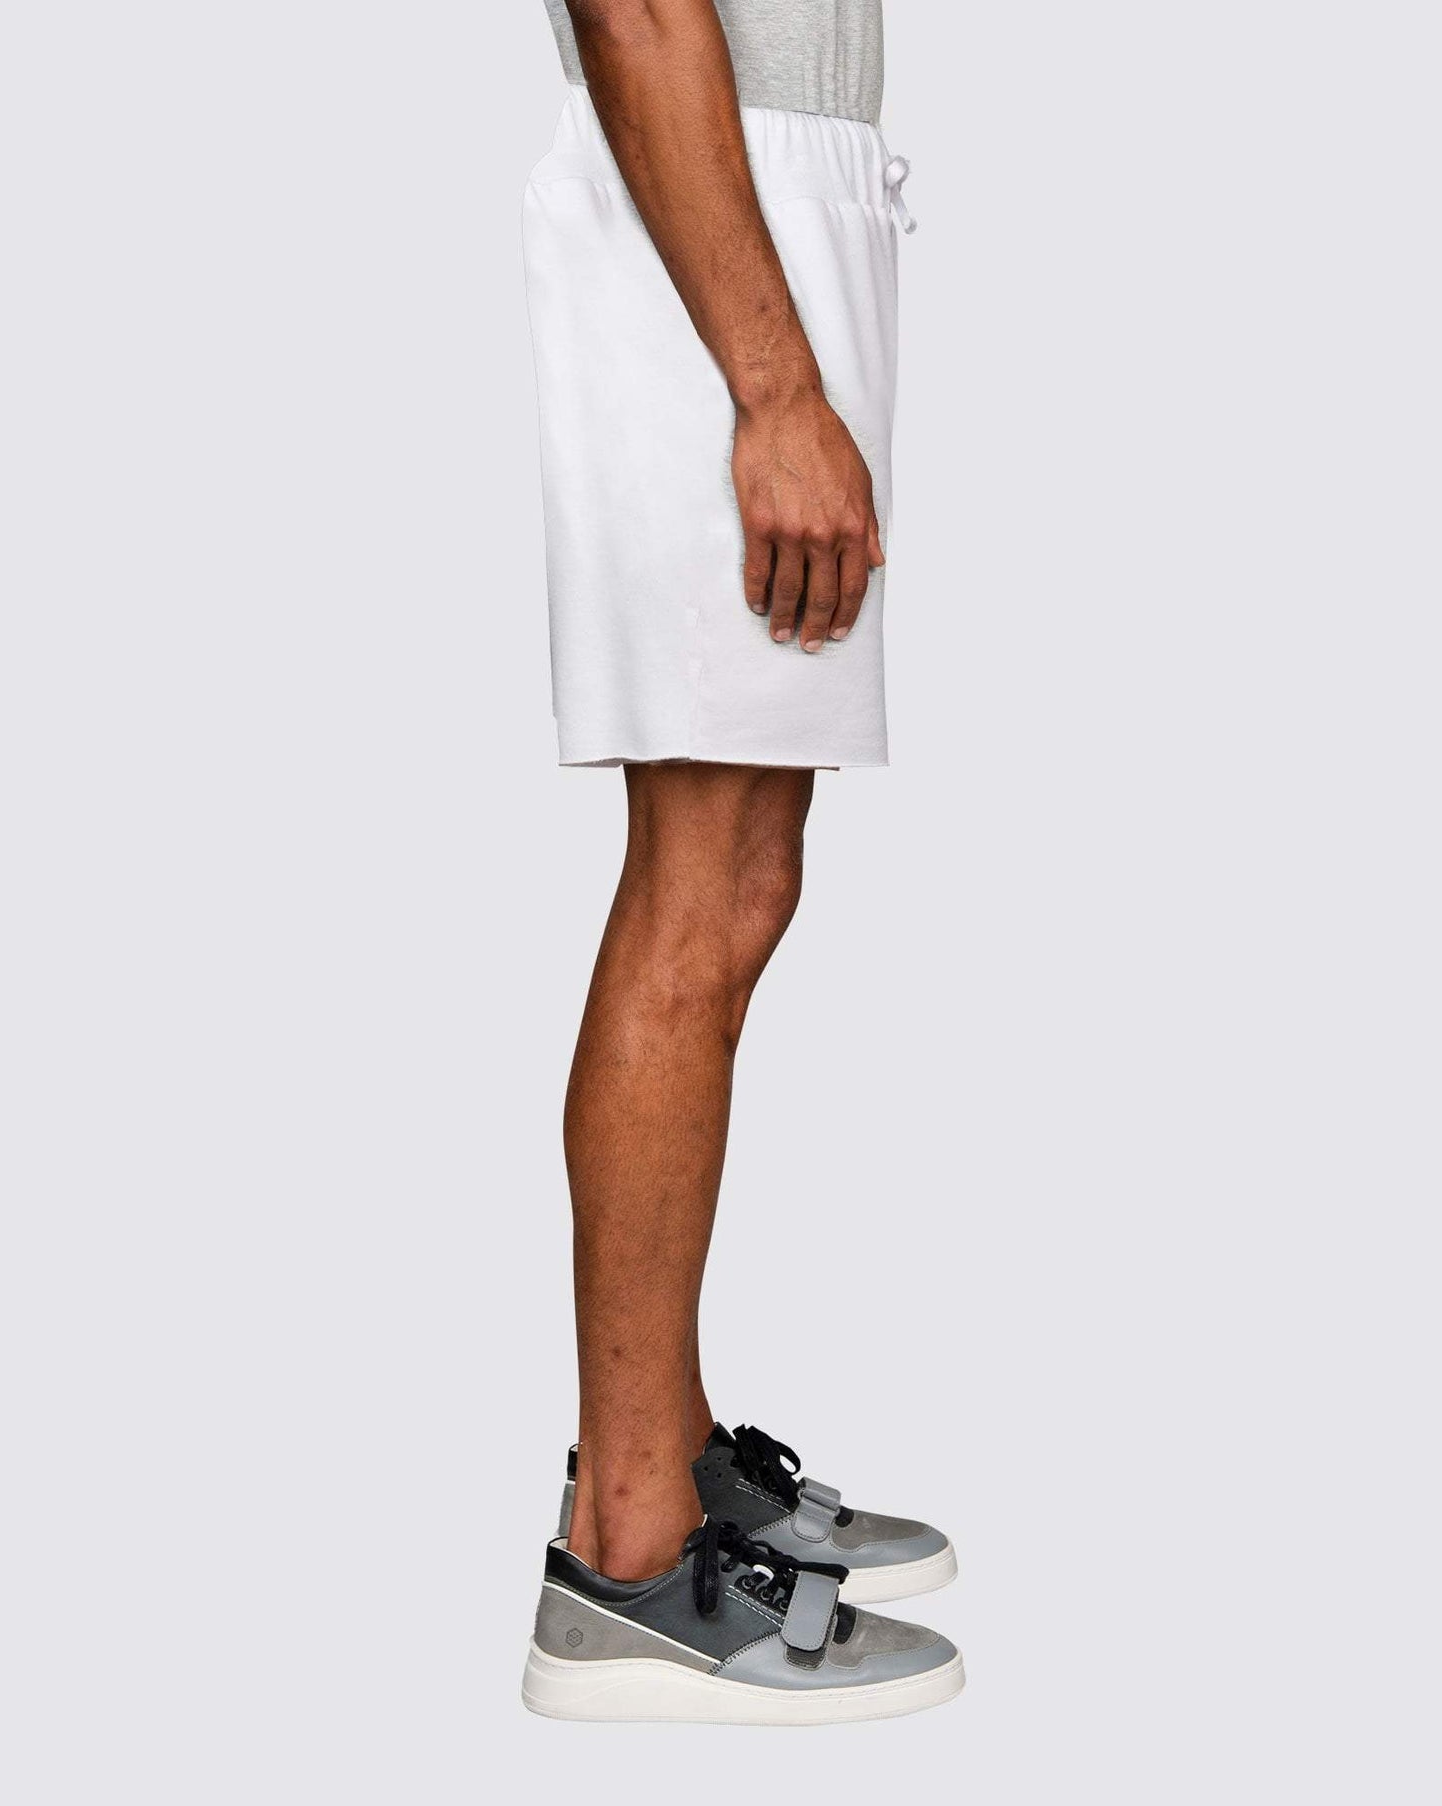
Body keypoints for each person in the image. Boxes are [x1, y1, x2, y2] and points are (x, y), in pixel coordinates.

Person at [520, 0, 964, 1723]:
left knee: (745, 876)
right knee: (698, 883)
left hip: (770, 203)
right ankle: (627, 1557)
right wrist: (773, 386)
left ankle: (666, 1449)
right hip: (709, 229)